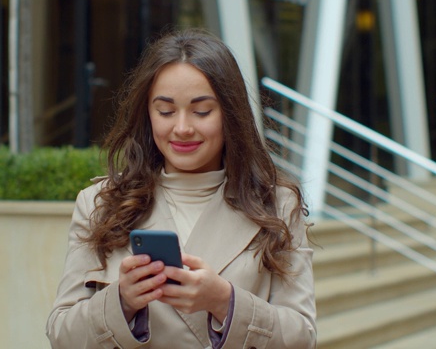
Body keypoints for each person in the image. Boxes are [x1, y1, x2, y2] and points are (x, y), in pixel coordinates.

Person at [46, 28, 316, 348]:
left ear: (230, 114)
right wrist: (121, 302)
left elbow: (302, 337)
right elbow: (61, 335)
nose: (183, 128)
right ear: (147, 114)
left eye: (202, 111)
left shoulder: (278, 206)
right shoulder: (99, 204)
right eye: (166, 111)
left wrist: (225, 302)